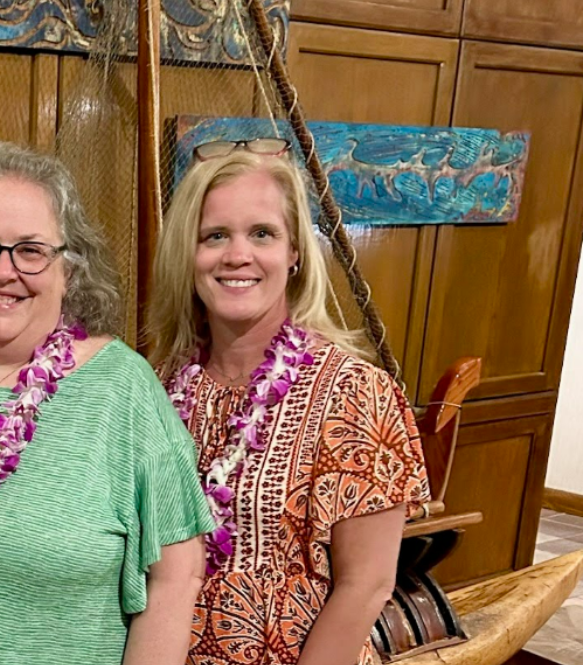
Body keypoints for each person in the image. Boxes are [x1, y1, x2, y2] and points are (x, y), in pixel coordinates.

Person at [0, 142, 215, 665]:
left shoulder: (123, 390)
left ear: (69, 270)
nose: (2, 271)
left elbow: (176, 576)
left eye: (30, 251)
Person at [148, 140, 431, 665]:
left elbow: (366, 585)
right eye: (214, 236)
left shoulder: (354, 391)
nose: (237, 255)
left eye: (262, 233)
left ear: (295, 251)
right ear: (188, 254)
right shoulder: (160, 385)